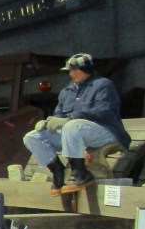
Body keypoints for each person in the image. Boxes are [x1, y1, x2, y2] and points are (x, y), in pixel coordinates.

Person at [22, 53, 131, 196]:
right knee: (32, 137)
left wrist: (71, 118)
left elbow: (103, 111)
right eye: (70, 70)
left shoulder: (103, 85)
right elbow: (59, 115)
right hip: (75, 132)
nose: (71, 73)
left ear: (87, 69)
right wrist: (47, 122)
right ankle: (58, 172)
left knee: (72, 126)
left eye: (75, 69)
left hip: (105, 131)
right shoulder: (67, 91)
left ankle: (80, 173)